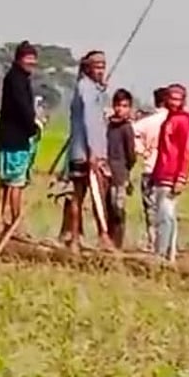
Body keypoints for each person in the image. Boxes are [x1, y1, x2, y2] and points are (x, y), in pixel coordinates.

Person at [62, 50, 111, 251]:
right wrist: (93, 153)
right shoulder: (87, 89)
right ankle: (103, 236)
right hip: (89, 153)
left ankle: (74, 238)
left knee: (78, 195)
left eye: (103, 66)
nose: (101, 70)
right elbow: (90, 123)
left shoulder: (86, 88)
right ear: (88, 68)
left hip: (77, 151)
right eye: (97, 66)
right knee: (96, 196)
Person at [0, 41, 41, 232]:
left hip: (7, 137)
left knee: (5, 181)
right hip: (16, 138)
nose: (31, 62)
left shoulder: (16, 78)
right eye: (28, 58)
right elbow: (22, 108)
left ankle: (0, 219)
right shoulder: (17, 79)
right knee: (15, 182)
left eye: (33, 59)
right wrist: (33, 126)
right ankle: (15, 222)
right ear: (19, 59)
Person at [151, 84, 189, 261]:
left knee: (165, 215)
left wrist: (181, 177)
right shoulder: (169, 119)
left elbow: (186, 150)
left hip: (172, 174)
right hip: (162, 172)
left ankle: (162, 253)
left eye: (178, 99)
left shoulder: (182, 121)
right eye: (171, 98)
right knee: (167, 214)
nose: (174, 102)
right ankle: (169, 253)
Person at [132, 88, 170, 252]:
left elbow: (131, 132)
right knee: (166, 209)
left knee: (150, 207)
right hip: (168, 170)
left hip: (150, 167)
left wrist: (141, 149)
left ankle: (152, 240)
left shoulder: (148, 122)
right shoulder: (174, 120)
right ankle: (165, 243)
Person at [104, 88, 137, 249]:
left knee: (118, 208)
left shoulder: (127, 128)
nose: (120, 109)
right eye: (118, 105)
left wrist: (125, 171)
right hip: (105, 171)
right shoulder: (109, 126)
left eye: (124, 106)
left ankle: (118, 243)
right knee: (107, 207)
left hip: (120, 174)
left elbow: (131, 155)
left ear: (129, 108)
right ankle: (108, 240)